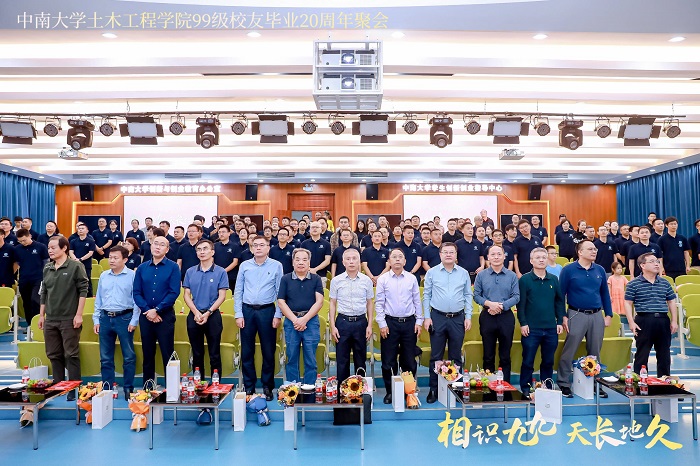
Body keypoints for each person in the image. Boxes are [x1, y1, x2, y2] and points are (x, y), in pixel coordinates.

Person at [557, 240, 613, 398]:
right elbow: (560, 295)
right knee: (570, 350)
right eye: (590, 249)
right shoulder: (568, 270)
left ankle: (595, 383)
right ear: (580, 252)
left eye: (595, 249)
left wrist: (608, 314)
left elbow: (604, 294)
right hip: (576, 314)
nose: (594, 251)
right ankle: (563, 382)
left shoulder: (600, 269)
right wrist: (563, 316)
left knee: (595, 351)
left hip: (596, 315)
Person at [39, 236, 89, 401]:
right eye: (49, 248)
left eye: (53, 247)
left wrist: (79, 314)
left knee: (71, 354)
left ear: (64, 248)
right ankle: (58, 387)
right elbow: (44, 292)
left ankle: (73, 388)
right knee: (53, 354)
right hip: (51, 318)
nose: (50, 250)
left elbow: (83, 290)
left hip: (69, 318)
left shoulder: (76, 266)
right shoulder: (47, 268)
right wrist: (42, 315)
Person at [422, 242, 473, 404]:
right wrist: (427, 317)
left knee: (455, 356)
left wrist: (468, 316)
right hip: (437, 317)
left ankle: (455, 389)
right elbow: (426, 296)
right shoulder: (431, 272)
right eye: (445, 252)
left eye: (452, 252)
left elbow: (468, 295)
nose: (449, 254)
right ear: (440, 255)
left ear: (456, 255)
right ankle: (434, 389)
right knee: (436, 356)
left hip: (458, 318)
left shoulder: (463, 273)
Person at [234, 236, 283, 400]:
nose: (258, 248)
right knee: (247, 351)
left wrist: (278, 314)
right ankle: (249, 386)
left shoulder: (276, 265)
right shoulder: (244, 265)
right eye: (255, 245)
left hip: (267, 311)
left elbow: (279, 292)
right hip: (247, 311)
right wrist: (238, 314)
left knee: (268, 351)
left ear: (268, 248)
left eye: (262, 245)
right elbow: (238, 291)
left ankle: (268, 386)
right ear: (251, 248)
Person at [375, 248, 423, 404]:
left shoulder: (411, 278)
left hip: (409, 323)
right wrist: (382, 323)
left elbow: (417, 301)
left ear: (405, 261)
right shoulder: (383, 279)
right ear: (388, 261)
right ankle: (390, 392)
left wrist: (419, 321)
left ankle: (408, 392)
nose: (397, 259)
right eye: (394, 257)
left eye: (400, 257)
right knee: (388, 361)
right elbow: (379, 303)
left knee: (408, 360)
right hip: (389, 323)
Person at [133, 232, 180, 385]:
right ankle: (148, 388)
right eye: (155, 243)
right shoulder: (142, 268)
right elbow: (136, 292)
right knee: (148, 354)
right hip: (146, 316)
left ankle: (171, 389)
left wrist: (157, 310)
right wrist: (148, 311)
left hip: (165, 316)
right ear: (150, 246)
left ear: (167, 249)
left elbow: (174, 292)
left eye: (162, 244)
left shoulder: (173, 267)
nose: (158, 247)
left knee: (168, 354)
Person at [517, 247, 565, 397]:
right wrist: (523, 323)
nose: (541, 260)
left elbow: (559, 302)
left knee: (548, 361)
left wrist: (559, 321)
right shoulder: (525, 280)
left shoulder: (554, 279)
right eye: (537, 257)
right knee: (528, 360)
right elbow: (521, 305)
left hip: (551, 328)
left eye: (544, 257)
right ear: (531, 261)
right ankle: (525, 388)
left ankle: (547, 387)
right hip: (531, 329)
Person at [93, 245, 138, 400]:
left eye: (115, 258)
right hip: (105, 318)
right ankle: (107, 388)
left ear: (125, 259)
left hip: (125, 318)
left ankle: (128, 388)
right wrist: (96, 319)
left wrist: (134, 320)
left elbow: (137, 300)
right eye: (110, 257)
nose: (111, 260)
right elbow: (98, 299)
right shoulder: (104, 275)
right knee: (105, 357)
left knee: (128, 356)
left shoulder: (132, 276)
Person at [625, 252, 678, 377]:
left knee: (664, 354)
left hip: (663, 320)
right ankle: (640, 381)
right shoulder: (633, 284)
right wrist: (631, 322)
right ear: (642, 265)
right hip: (644, 320)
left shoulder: (665, 283)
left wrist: (674, 320)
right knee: (642, 354)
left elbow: (671, 301)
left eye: (657, 261)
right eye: (652, 261)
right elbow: (628, 303)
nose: (656, 264)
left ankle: (664, 381)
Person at [183, 239, 228, 382]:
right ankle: (198, 384)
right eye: (199, 249)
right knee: (197, 353)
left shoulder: (221, 271)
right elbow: (186, 295)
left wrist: (208, 312)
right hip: (194, 315)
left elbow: (222, 296)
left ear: (212, 252)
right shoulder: (190, 271)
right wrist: (196, 312)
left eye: (205, 249)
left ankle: (216, 385)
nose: (202, 252)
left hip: (212, 315)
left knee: (214, 353)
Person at [474, 245, 520, 384]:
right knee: (488, 355)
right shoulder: (481, 275)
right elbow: (476, 295)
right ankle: (488, 385)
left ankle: (505, 385)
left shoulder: (511, 275)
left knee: (505, 355)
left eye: (499, 254)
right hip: (487, 316)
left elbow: (516, 296)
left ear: (504, 256)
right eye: (493, 254)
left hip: (506, 317)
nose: (496, 257)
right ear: (488, 257)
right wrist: (489, 304)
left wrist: (501, 306)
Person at [278, 248, 324, 384]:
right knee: (291, 358)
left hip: (311, 322)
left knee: (310, 358)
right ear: (293, 262)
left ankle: (310, 388)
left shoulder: (316, 279)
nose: (301, 262)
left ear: (309, 262)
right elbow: (281, 302)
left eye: (304, 260)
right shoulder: (285, 279)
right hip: (291, 322)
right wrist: (295, 320)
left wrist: (304, 319)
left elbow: (319, 302)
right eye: (297, 259)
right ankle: (293, 389)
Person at [329, 248, 374, 383]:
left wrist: (369, 325)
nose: (351, 261)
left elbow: (369, 303)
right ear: (343, 262)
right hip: (342, 322)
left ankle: (360, 390)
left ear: (359, 261)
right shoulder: (336, 280)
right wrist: (332, 326)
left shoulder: (366, 280)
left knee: (360, 359)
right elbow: (332, 303)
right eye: (348, 259)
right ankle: (342, 391)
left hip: (361, 322)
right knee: (342, 360)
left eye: (354, 258)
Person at [14, 228, 49, 328]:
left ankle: (38, 323)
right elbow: (17, 263)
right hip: (24, 279)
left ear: (29, 236)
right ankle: (30, 325)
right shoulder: (17, 249)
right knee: (26, 302)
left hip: (38, 278)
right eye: (20, 241)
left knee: (35, 300)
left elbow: (46, 262)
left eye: (24, 240)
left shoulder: (41, 247)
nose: (23, 243)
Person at [301, 221, 332, 286]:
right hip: (306, 275)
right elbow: (301, 259)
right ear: (309, 230)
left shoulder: (326, 244)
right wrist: (309, 269)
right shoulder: (304, 244)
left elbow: (327, 260)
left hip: (321, 276)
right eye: (312, 227)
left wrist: (315, 269)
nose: (314, 229)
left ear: (321, 229)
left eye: (317, 227)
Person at [69, 223, 96, 297]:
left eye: (82, 228)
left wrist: (81, 259)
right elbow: (71, 252)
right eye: (79, 229)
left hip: (86, 265)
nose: (80, 230)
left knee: (87, 280)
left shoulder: (91, 241)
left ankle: (89, 296)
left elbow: (90, 253)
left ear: (87, 231)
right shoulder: (73, 241)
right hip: (75, 264)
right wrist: (75, 259)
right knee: (75, 280)